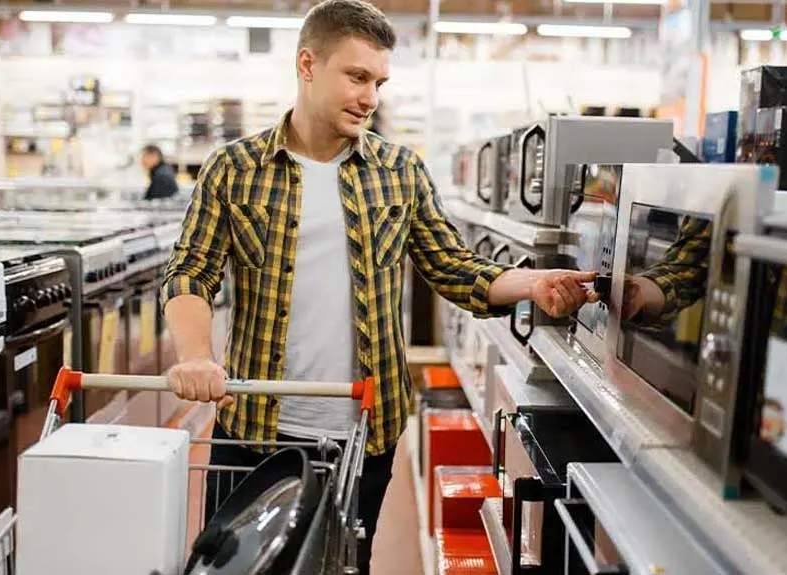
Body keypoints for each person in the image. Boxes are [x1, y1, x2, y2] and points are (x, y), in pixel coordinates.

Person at [159, 0, 597, 571]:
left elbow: (456, 269)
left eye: (379, 82)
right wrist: (196, 356)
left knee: (346, 565)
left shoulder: (400, 171)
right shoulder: (234, 169)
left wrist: (533, 282)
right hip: (252, 428)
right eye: (357, 77)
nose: (370, 97)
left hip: (365, 431)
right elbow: (190, 271)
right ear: (308, 65)